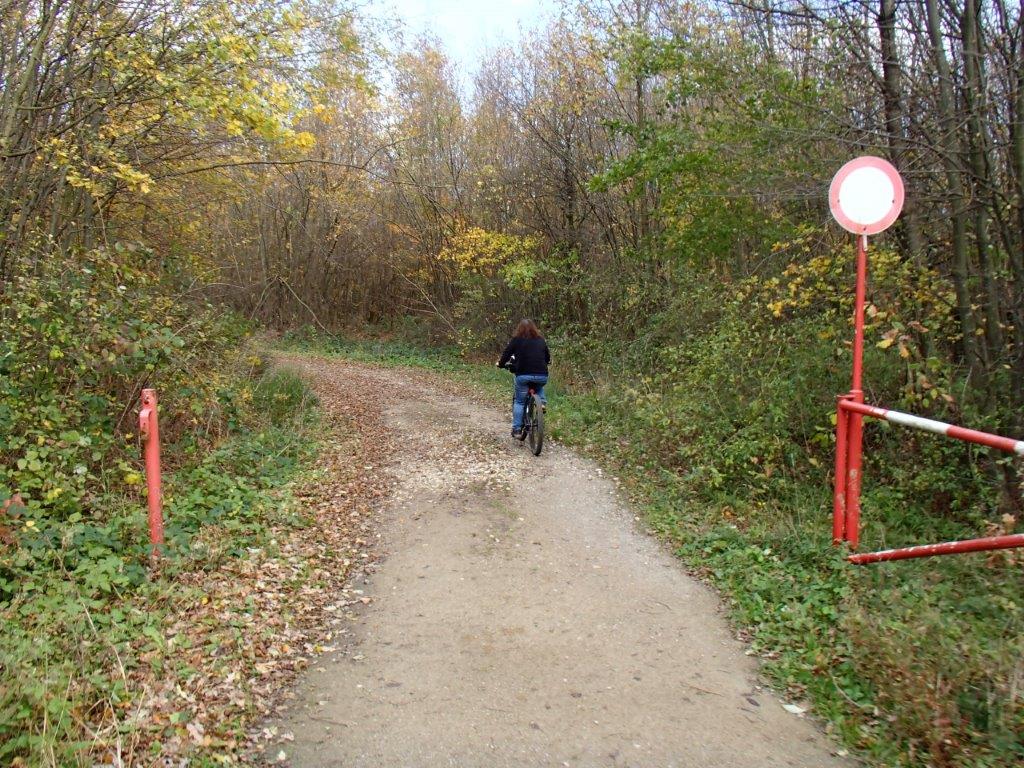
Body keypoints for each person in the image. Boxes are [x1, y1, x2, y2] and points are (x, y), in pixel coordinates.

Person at [496, 319, 550, 438]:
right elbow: (547, 357)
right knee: (538, 385)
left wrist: (500, 364)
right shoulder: (541, 340)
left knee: (519, 401)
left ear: (519, 329)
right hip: (542, 375)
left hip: (523, 375)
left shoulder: (517, 340)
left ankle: (517, 429)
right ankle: (542, 403)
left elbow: (507, 353)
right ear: (534, 329)